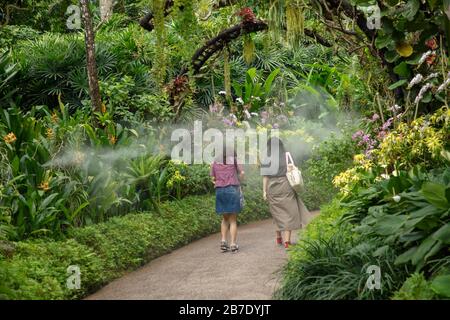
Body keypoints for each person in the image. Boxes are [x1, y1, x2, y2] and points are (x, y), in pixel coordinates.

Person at [261, 137, 309, 249]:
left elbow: (265, 177)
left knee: (277, 213)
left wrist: (264, 191)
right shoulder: (287, 156)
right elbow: (294, 169)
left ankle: (278, 237)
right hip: (286, 185)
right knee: (288, 213)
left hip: (272, 188)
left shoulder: (266, 158)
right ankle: (287, 242)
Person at [210, 146, 244, 253]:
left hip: (220, 191)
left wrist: (218, 182)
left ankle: (223, 242)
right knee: (233, 220)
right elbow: (242, 173)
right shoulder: (234, 160)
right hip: (232, 189)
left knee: (225, 219)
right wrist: (239, 180)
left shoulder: (214, 163)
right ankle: (233, 244)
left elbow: (213, 179)